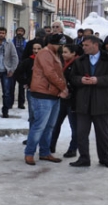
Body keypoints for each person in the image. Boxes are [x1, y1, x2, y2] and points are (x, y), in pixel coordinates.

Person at [69, 36, 108, 169]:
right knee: (81, 133)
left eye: (86, 45)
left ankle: (104, 159)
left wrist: (98, 80)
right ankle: (84, 158)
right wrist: (80, 80)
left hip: (102, 103)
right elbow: (72, 78)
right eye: (83, 45)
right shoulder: (79, 60)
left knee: (102, 133)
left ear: (95, 45)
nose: (83, 48)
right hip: (83, 102)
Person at [24, 34, 68, 166]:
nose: (62, 48)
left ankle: (44, 152)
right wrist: (63, 88)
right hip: (43, 94)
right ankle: (29, 153)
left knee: (49, 126)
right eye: (60, 45)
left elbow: (58, 73)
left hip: (53, 94)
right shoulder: (45, 53)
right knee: (39, 126)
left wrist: (61, 88)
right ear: (54, 44)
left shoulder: (54, 53)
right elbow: (50, 73)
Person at [49, 44, 79, 158]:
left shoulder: (78, 64)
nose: (63, 54)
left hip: (73, 100)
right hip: (61, 98)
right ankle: (51, 145)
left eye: (66, 52)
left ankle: (73, 149)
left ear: (73, 53)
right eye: (62, 52)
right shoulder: (61, 62)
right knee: (55, 124)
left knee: (74, 126)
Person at [14, 41, 43, 145]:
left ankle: (42, 138)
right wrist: (25, 82)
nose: (36, 51)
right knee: (33, 115)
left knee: (43, 116)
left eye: (39, 48)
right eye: (34, 49)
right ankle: (32, 137)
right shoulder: (28, 61)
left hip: (45, 92)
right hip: (32, 91)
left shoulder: (47, 61)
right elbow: (17, 73)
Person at [11, 27, 27, 109]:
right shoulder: (11, 41)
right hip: (13, 66)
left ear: (24, 33)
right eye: (18, 31)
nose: (20, 32)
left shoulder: (26, 42)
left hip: (22, 66)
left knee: (22, 87)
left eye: (21, 31)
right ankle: (10, 103)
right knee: (11, 86)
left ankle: (21, 103)